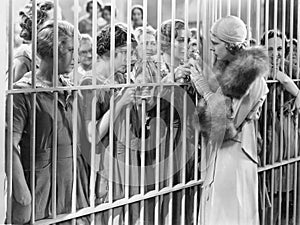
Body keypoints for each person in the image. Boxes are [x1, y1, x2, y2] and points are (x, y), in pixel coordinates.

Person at [8, 20, 89, 224]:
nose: (77, 57)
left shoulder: (70, 89)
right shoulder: (24, 91)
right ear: (52, 50)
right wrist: (22, 194)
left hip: (71, 184)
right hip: (39, 185)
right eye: (71, 49)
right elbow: (9, 144)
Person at [192, 16, 269, 225]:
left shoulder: (250, 77)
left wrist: (205, 91)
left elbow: (228, 125)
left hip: (235, 157)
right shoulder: (233, 72)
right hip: (227, 155)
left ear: (230, 45)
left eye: (215, 44)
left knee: (229, 215)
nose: (212, 49)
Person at [78, 23, 140, 225]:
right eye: (124, 52)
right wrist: (120, 103)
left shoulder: (120, 77)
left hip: (126, 159)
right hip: (104, 165)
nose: (129, 59)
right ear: (107, 51)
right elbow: (91, 134)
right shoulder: (90, 83)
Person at [260, 30, 300, 225]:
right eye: (269, 49)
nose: (275, 53)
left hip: (287, 133)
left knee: (287, 191)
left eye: (279, 48)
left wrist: (291, 86)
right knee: (268, 190)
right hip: (266, 133)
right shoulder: (257, 69)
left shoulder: (290, 70)